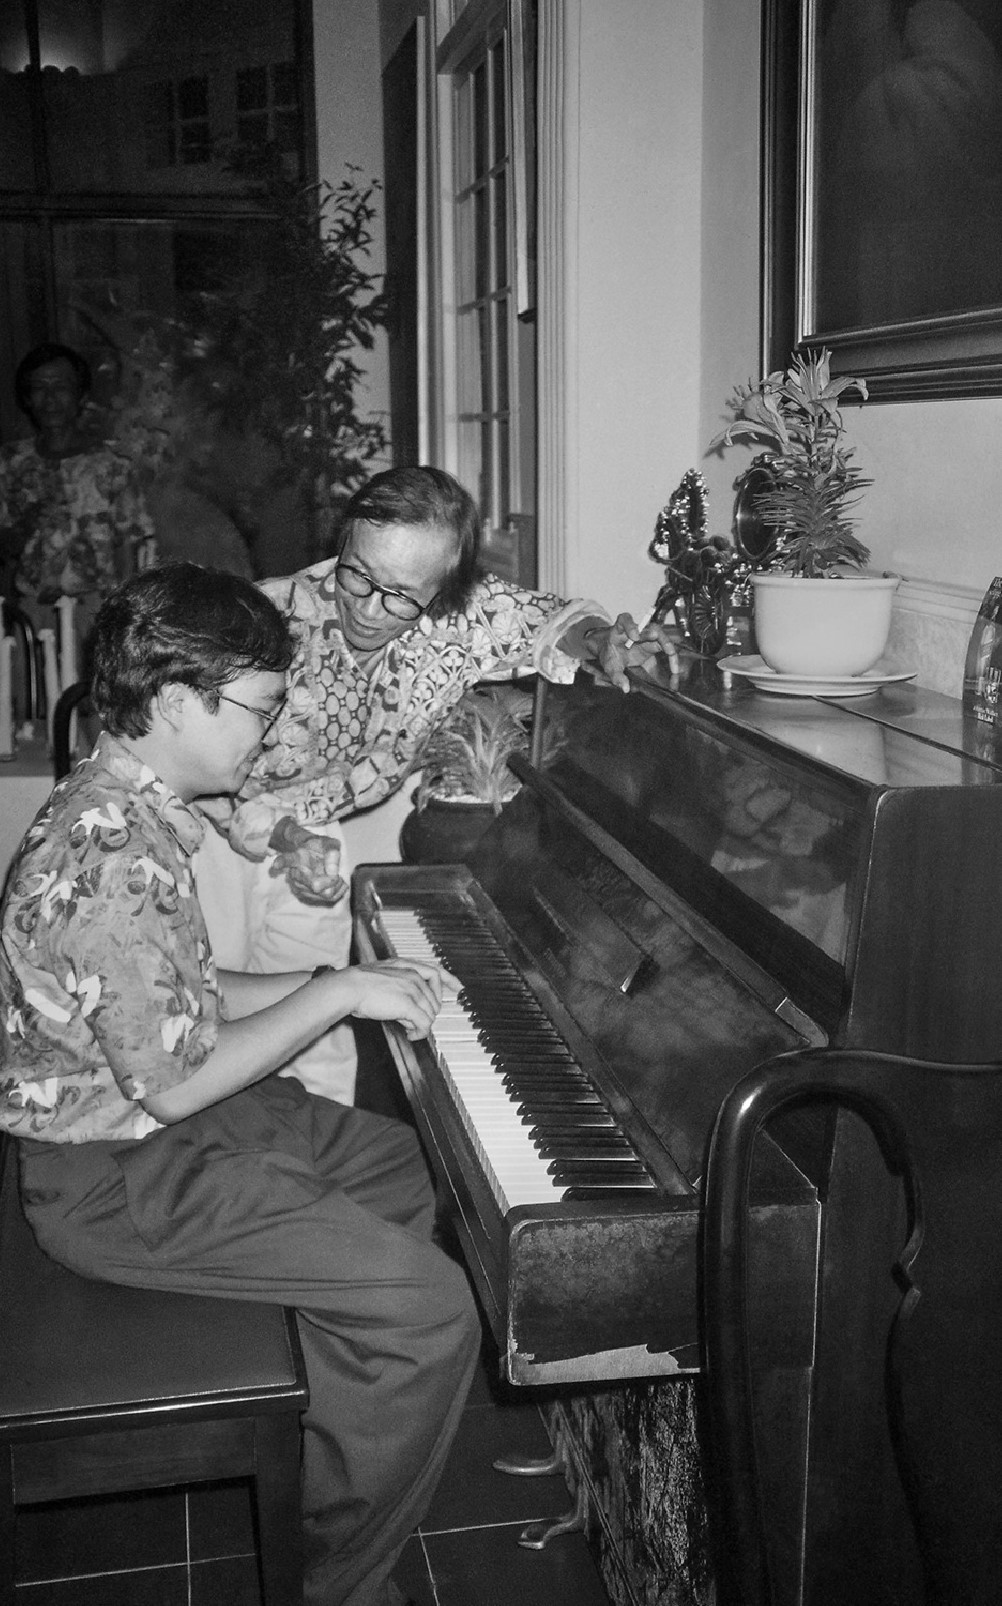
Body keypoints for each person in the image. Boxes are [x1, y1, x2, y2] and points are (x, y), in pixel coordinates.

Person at [0, 563, 481, 1606]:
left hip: (163, 1125)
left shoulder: (131, 808)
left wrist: (332, 984)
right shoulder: (108, 852)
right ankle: (341, 1582)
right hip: (113, 1177)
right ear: (179, 701)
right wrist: (341, 991)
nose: (269, 734)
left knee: (411, 1169)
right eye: (260, 709)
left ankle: (337, 1424)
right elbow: (175, 1085)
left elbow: (189, 991)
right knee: (432, 1309)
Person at [195, 464, 677, 1105]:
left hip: (310, 837)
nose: (368, 608)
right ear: (344, 542)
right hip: (205, 837)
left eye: (400, 595)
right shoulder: (265, 617)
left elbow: (549, 623)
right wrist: (279, 835)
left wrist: (603, 643)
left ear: (447, 591)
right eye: (357, 574)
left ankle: (312, 1150)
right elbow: (185, 757)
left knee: (314, 1031)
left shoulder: (462, 618)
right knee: (204, 1025)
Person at [0, 341, 156, 647]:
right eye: (39, 388)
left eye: (61, 387)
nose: (50, 398)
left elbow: (131, 546)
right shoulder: (10, 463)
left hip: (96, 612)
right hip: (33, 612)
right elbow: (4, 547)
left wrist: (124, 616)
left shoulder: (112, 466)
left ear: (81, 396)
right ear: (27, 398)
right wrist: (23, 527)